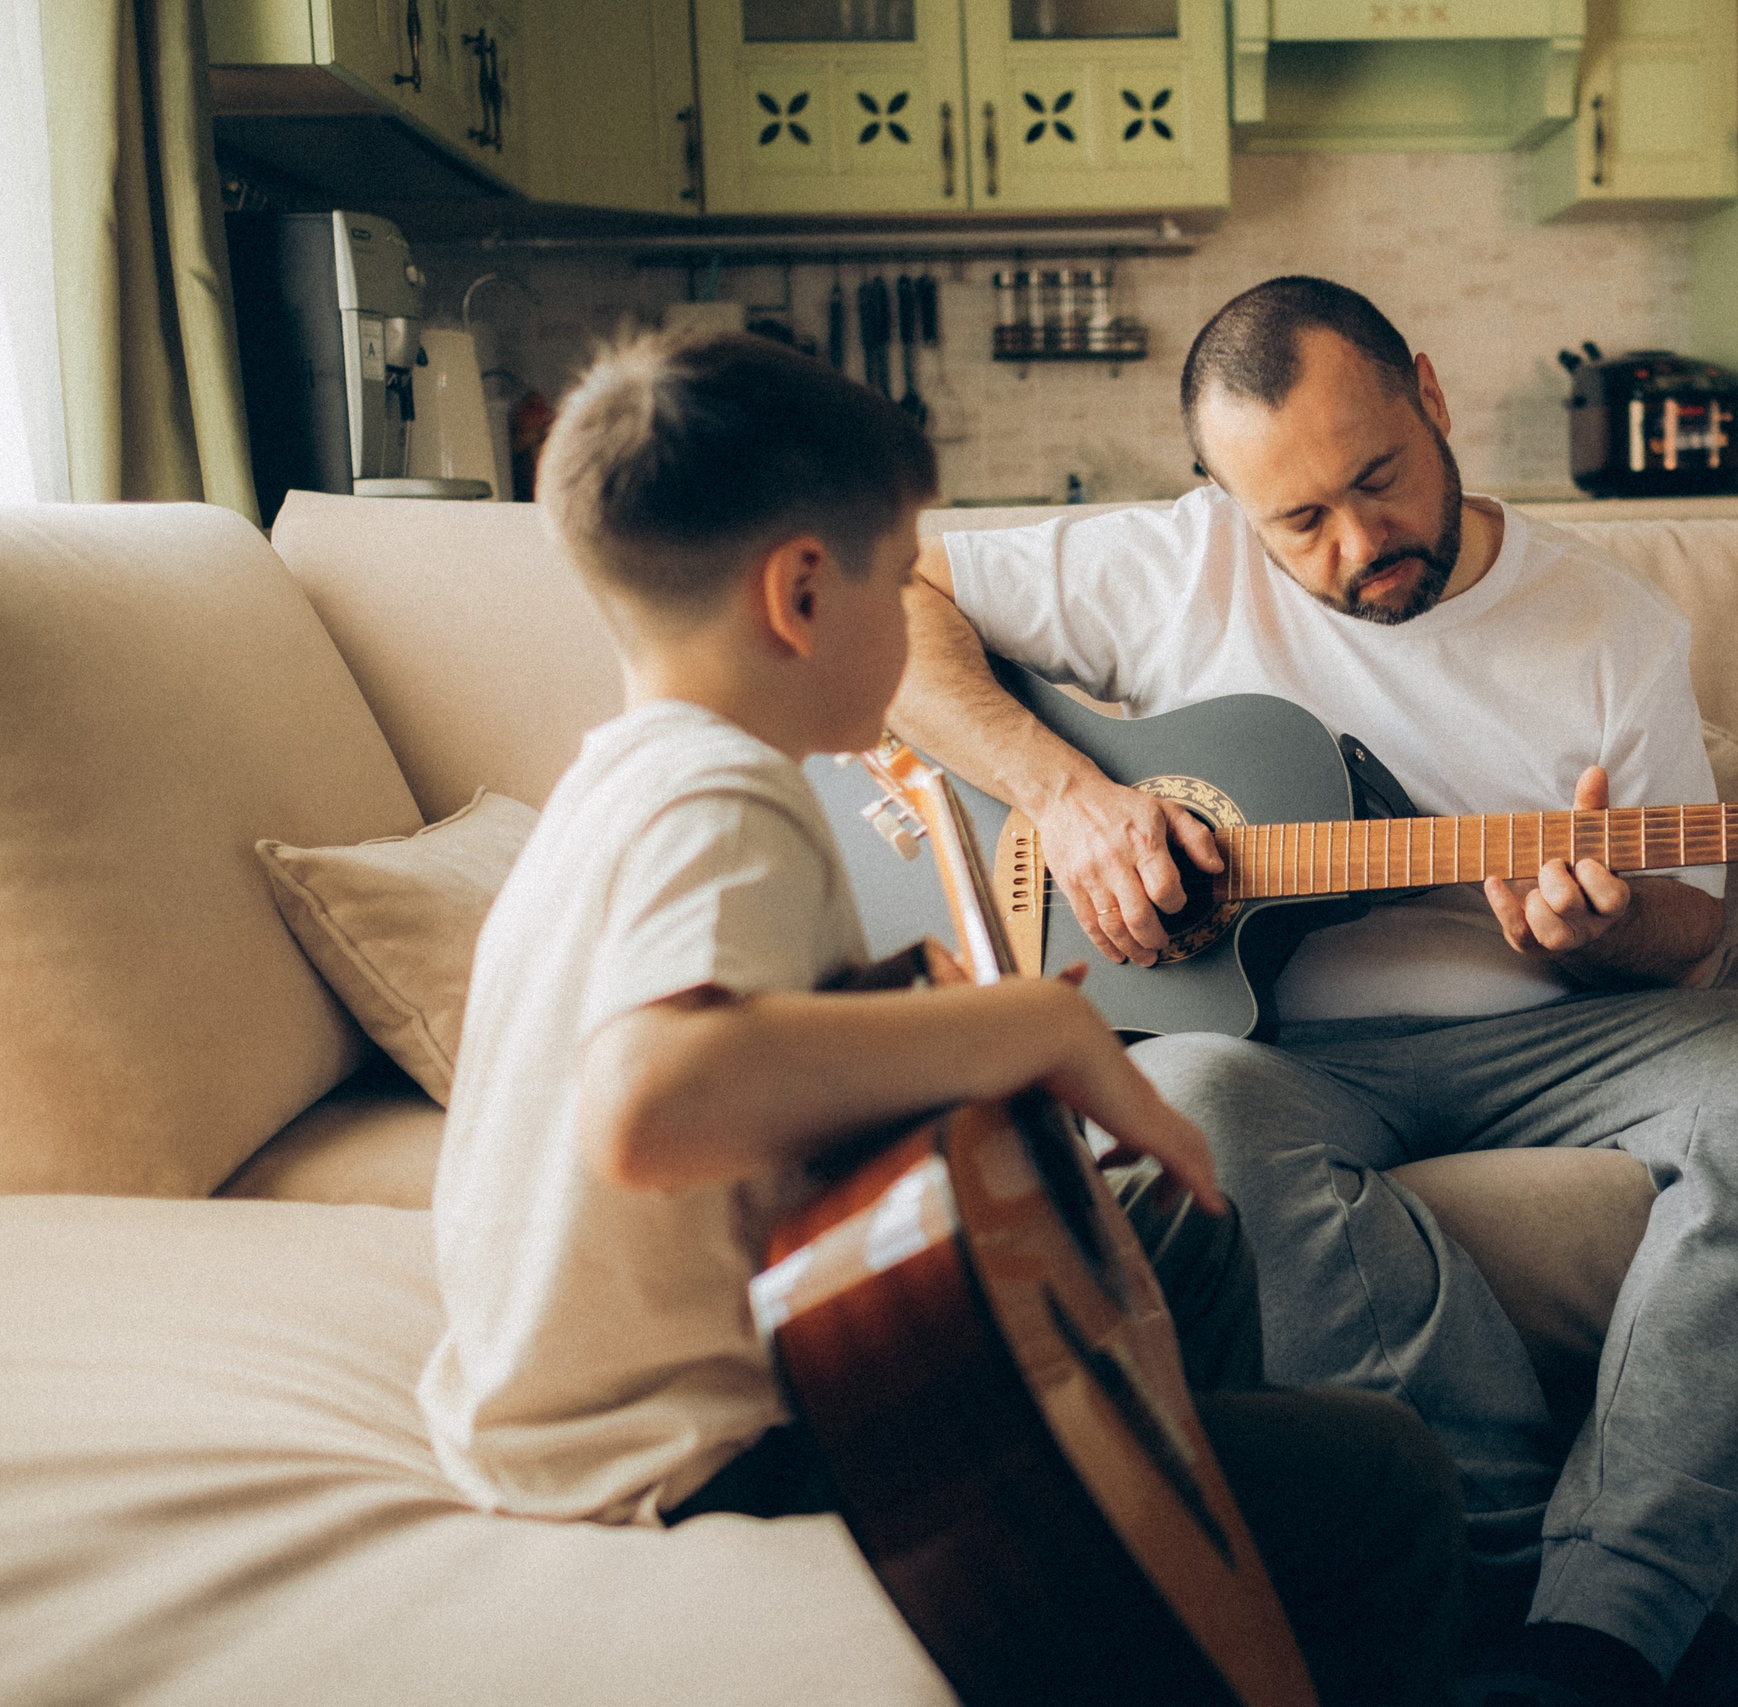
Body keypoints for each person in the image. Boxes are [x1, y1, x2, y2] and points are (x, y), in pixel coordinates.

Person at [889, 278, 1738, 1707]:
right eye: (1297, 523)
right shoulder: (1168, 565)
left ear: (1430, 394)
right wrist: (1065, 797)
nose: (1358, 543)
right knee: (1184, 1096)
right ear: (1227, 501)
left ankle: (1601, 1620)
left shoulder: (1608, 622)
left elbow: (1686, 940)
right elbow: (891, 595)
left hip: (1556, 1041)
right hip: (1278, 1054)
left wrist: (1591, 934)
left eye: (1379, 479)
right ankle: (1520, 1602)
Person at [417, 328, 1466, 1707]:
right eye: (896, 570)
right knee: (1387, 1474)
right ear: (801, 593)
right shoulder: (726, 798)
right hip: (685, 1453)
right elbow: (650, 1102)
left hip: (561, 1407)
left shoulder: (616, 781)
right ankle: (1199, 1579)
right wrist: (1031, 1027)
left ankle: (1165, 1602)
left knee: (1175, 1238)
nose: (914, 615)